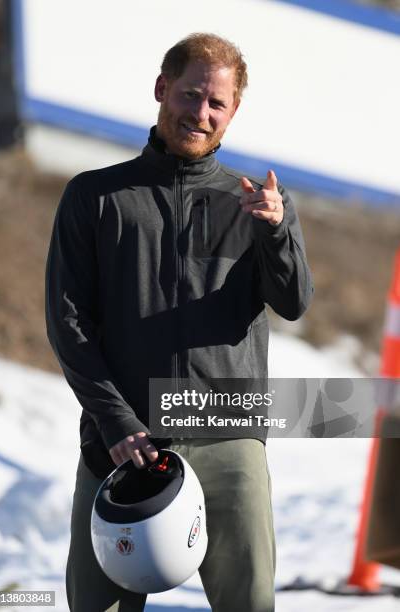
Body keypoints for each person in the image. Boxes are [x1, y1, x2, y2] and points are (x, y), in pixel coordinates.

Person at [46, 32, 313, 612]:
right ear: (163, 89)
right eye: (191, 95)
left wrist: (275, 231)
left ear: (233, 111)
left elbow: (293, 301)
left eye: (217, 103)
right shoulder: (95, 198)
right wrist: (114, 421)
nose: (201, 113)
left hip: (228, 431)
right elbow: (68, 325)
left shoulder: (256, 203)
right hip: (121, 444)